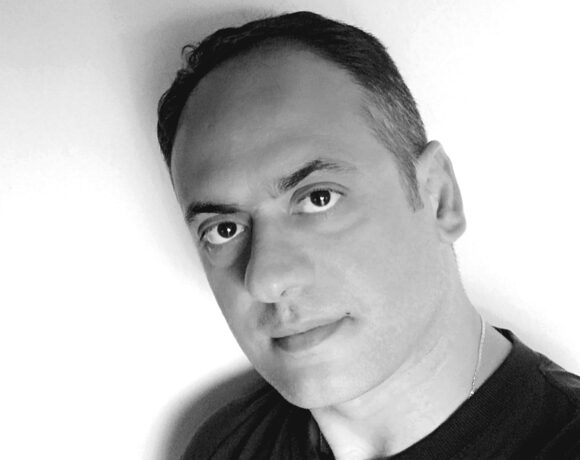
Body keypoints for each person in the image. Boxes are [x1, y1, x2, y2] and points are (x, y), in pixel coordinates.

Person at [157, 11, 580, 459]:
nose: (266, 279)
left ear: (439, 198)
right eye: (224, 229)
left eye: (318, 198)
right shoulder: (222, 448)